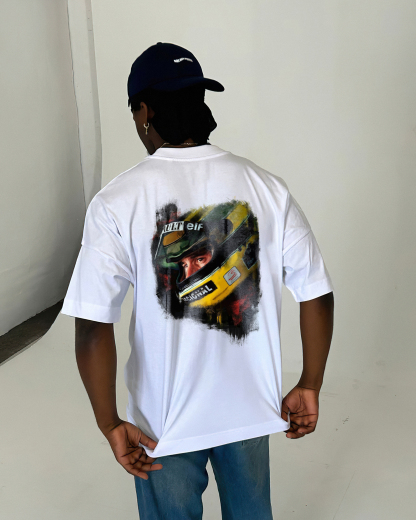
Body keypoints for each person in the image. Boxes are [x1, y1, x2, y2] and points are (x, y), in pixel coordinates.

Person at [61, 42, 335, 519]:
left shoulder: (116, 201)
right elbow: (318, 293)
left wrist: (110, 423)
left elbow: (91, 326)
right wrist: (310, 382)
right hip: (249, 411)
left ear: (144, 111)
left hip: (162, 425)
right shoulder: (266, 187)